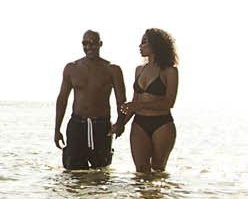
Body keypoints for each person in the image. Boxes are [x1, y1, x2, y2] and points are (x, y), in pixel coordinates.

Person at [53, 29, 125, 170]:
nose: (89, 47)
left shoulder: (112, 69)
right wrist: (57, 129)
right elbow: (62, 99)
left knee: (101, 171)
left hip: (101, 125)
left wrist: (120, 123)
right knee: (73, 171)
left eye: (92, 43)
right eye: (85, 43)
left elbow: (121, 101)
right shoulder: (72, 68)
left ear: (100, 44)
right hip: (77, 124)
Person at [115, 27, 180, 174]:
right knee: (141, 171)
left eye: (144, 42)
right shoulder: (139, 70)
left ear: (155, 45)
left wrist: (139, 105)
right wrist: (120, 124)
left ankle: (157, 197)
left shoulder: (170, 71)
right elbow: (134, 101)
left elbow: (169, 102)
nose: (140, 46)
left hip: (162, 123)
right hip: (139, 123)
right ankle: (140, 198)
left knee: (158, 169)